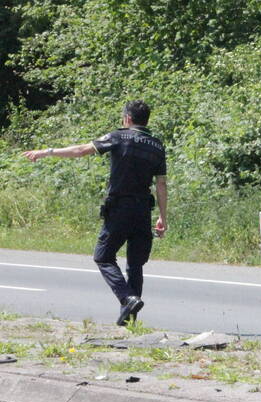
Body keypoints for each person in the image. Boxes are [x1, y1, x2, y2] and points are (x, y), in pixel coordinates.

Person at [22, 100, 168, 326]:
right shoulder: (157, 146)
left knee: (103, 256)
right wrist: (162, 216)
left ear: (127, 118)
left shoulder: (119, 137)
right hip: (143, 211)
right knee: (135, 264)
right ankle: (129, 319)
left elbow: (81, 150)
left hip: (120, 208)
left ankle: (127, 298)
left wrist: (46, 152)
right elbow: (161, 184)